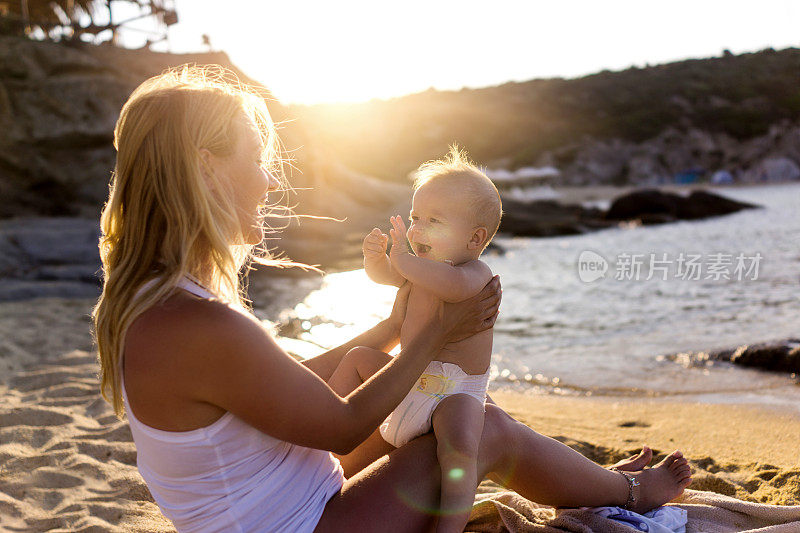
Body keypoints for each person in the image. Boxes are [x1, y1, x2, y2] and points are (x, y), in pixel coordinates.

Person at [92, 66, 692, 533]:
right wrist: (434, 331)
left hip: (285, 502)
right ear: (207, 169)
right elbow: (341, 423)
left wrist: (390, 327)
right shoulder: (193, 321)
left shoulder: (161, 302)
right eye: (259, 163)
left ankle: (605, 484)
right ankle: (632, 494)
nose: (270, 182)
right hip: (301, 522)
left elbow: (277, 391)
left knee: (462, 420)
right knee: (486, 431)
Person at [355, 148, 500, 532]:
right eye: (416, 217)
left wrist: (404, 259)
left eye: (434, 221)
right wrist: (376, 260)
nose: (418, 229)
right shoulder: (417, 267)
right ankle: (328, 451)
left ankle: (449, 526)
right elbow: (387, 275)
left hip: (455, 393)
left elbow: (452, 290)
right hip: (409, 383)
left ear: (475, 239)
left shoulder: (473, 272)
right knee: (359, 358)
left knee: (460, 452)